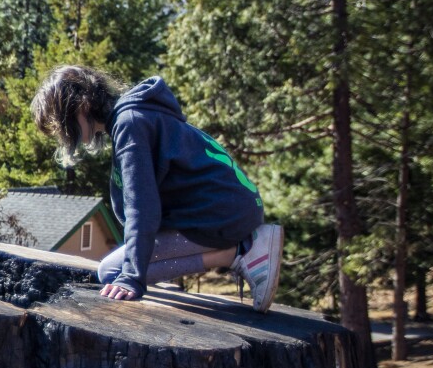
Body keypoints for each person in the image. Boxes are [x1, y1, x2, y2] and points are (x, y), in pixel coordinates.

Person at [30, 65, 284, 312]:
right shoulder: (135, 116)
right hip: (229, 209)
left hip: (222, 214)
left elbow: (142, 208)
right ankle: (239, 250)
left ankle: (242, 250)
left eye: (62, 126)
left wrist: (131, 277)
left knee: (112, 272)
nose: (64, 136)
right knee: (111, 270)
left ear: (82, 105)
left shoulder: (130, 124)